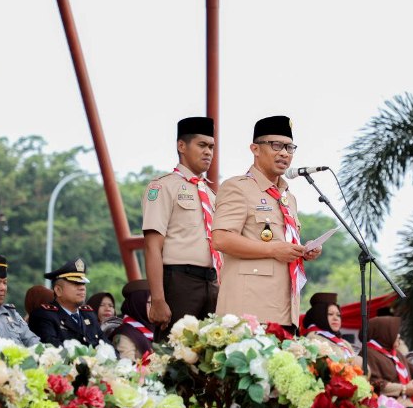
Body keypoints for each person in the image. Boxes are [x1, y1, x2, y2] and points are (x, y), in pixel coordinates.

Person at [212, 115, 322, 333]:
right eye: (276, 145)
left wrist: (303, 251)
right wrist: (273, 249)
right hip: (249, 309)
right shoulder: (237, 187)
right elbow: (221, 238)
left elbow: (282, 246)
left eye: (290, 148)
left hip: (285, 308)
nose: (284, 153)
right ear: (255, 148)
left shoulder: (288, 197)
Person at [142, 117, 219, 339]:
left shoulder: (212, 195)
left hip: (211, 283)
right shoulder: (163, 186)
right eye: (202, 145)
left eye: (211, 147)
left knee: (210, 358)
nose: (208, 152)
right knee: (174, 357)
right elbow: (152, 247)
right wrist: (157, 299)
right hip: (179, 282)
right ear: (181, 146)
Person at [28, 258, 105, 347]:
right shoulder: (44, 316)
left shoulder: (89, 315)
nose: (82, 288)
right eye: (76, 283)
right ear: (58, 290)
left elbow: (107, 347)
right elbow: (54, 349)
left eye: (83, 283)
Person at [366, 316, 413, 407]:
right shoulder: (369, 353)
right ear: (383, 333)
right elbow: (374, 383)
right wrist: (404, 389)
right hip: (387, 406)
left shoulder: (395, 353)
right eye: (394, 332)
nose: (398, 336)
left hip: (407, 401)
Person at [302, 293, 362, 367]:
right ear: (319, 315)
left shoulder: (344, 342)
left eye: (338, 315)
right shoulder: (313, 339)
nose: (336, 318)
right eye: (330, 314)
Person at [105, 280, 154, 362]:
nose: (155, 308)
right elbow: (127, 368)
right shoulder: (124, 334)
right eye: (151, 303)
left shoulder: (155, 328)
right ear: (138, 304)